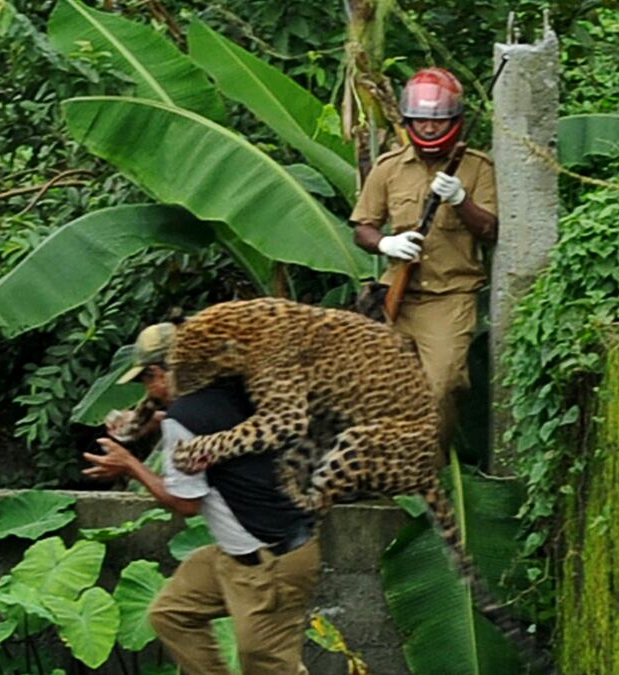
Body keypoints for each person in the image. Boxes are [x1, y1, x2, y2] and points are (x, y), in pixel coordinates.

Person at [84, 323, 320, 674]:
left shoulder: (185, 419)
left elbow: (186, 503)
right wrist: (155, 422)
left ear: (160, 372)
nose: (149, 391)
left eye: (146, 381)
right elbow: (213, 424)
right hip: (241, 553)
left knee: (265, 665)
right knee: (171, 614)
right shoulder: (234, 388)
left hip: (270, 564)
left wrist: (130, 465)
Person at [350, 66, 498, 457]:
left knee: (443, 384)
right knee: (377, 389)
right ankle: (380, 467)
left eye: (438, 121)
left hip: (449, 297)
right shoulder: (389, 167)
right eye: (421, 121)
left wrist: (460, 200)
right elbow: (362, 227)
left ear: (454, 121)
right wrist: (386, 244)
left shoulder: (478, 168)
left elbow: (491, 229)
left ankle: (425, 467)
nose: (429, 129)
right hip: (396, 295)